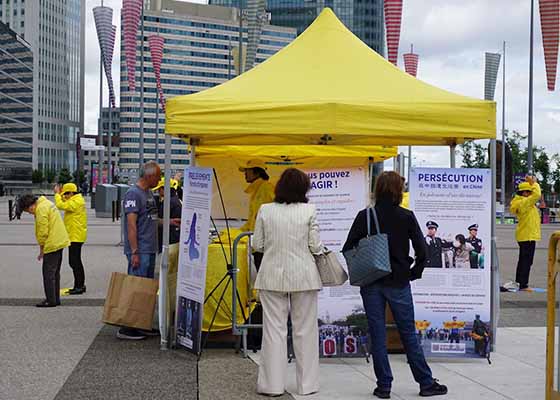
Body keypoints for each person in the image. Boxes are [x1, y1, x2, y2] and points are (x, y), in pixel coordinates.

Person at [342, 171, 447, 398]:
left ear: (379, 189)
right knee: (408, 332)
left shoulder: (365, 216)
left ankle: (384, 386)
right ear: (398, 191)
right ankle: (426, 383)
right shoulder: (406, 216)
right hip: (399, 281)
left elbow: (348, 246)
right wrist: (413, 273)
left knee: (377, 333)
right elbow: (422, 250)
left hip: (371, 282)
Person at [252, 168, 323, 396]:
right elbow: (315, 247)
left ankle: (272, 386)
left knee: (274, 331)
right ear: (304, 188)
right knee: (305, 331)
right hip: (304, 276)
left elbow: (257, 246)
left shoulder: (265, 210)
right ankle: (307, 385)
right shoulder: (309, 211)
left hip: (271, 275)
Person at [118, 161, 161, 340]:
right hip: (140, 249)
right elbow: (131, 225)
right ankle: (127, 327)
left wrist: (170, 221)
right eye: (158, 176)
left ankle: (141, 323)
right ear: (149, 176)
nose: (159, 179)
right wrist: (134, 251)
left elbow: (150, 219)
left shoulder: (149, 193)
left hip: (149, 248)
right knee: (136, 287)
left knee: (146, 289)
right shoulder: (133, 194)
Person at [18, 194, 70, 307]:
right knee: (55, 273)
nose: (30, 213)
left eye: (28, 211)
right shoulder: (46, 203)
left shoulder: (41, 209)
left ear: (30, 206)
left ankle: (50, 300)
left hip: (52, 243)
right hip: (59, 241)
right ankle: (55, 299)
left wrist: (42, 248)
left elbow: (43, 231)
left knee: (48, 273)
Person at [54, 182, 88, 294]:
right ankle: (79, 285)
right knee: (75, 261)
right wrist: (61, 194)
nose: (65, 196)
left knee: (74, 262)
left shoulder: (76, 201)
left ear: (72, 193)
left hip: (76, 236)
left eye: (66, 194)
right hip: (75, 235)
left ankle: (79, 286)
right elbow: (65, 202)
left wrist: (57, 194)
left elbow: (61, 205)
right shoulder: (75, 199)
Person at [510, 176, 541, 290]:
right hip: (527, 236)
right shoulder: (525, 202)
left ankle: (520, 282)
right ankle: (523, 284)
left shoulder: (522, 202)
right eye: (529, 191)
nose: (531, 194)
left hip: (526, 235)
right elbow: (537, 195)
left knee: (524, 260)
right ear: (524, 193)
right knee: (526, 261)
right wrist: (534, 183)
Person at [239, 159, 275, 233]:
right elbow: (251, 221)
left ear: (257, 172)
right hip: (255, 236)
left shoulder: (267, 188)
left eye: (248, 170)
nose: (245, 173)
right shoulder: (256, 190)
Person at [153, 177, 182, 252]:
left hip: (168, 240)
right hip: (174, 239)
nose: (158, 192)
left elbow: (161, 220)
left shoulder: (168, 203)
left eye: (159, 189)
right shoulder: (175, 200)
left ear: (163, 189)